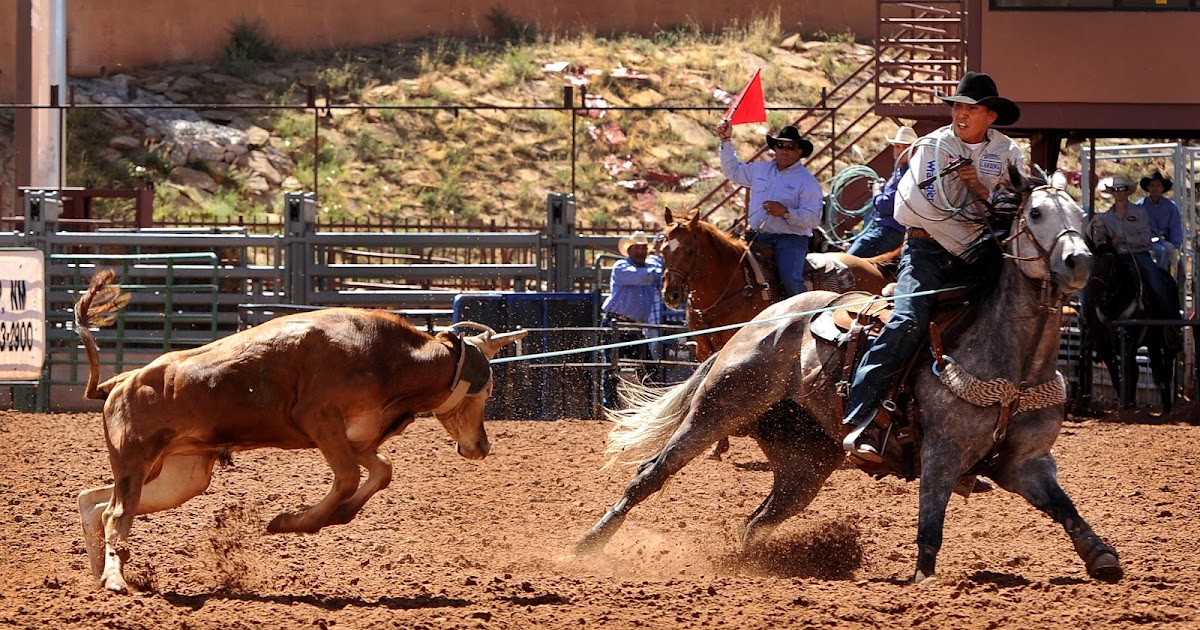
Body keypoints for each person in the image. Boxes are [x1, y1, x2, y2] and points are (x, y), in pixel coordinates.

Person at [842, 71, 1026, 462]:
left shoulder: (1008, 153)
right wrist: (979, 203)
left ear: (991, 116)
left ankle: (996, 430)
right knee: (908, 320)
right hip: (926, 248)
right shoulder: (932, 146)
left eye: (970, 108)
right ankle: (862, 420)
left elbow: (1013, 205)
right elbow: (924, 203)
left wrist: (980, 189)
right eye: (957, 107)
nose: (960, 114)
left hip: (978, 253)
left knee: (1005, 322)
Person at [716, 121, 824, 297]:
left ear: (799, 151)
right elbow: (732, 171)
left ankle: (806, 311)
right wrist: (726, 141)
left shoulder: (807, 182)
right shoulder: (759, 169)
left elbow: (813, 219)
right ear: (775, 148)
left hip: (791, 240)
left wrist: (786, 212)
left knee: (790, 279)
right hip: (757, 236)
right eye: (780, 145)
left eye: (791, 147)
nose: (784, 150)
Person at [1088, 174, 1182, 346]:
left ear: (1127, 192)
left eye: (1122, 189)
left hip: (1139, 255)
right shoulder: (1105, 218)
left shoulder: (1139, 212)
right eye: (1116, 190)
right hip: (1114, 257)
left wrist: (1124, 239)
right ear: (1112, 193)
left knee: (1157, 285)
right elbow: (1098, 240)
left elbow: (1146, 239)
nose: (1119, 193)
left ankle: (1171, 327)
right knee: (1093, 283)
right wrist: (1104, 241)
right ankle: (1088, 327)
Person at [601, 231, 664, 407]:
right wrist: (660, 268)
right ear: (629, 250)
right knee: (612, 368)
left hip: (634, 327)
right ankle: (610, 406)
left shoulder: (649, 268)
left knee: (648, 369)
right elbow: (642, 277)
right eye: (637, 248)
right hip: (616, 324)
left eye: (643, 248)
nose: (640, 251)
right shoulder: (621, 267)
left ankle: (649, 405)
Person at [848, 126, 917, 258]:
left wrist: (876, 190)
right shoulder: (901, 172)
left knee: (848, 260)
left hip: (889, 231)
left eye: (905, 147)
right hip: (889, 230)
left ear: (914, 151)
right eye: (897, 146)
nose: (900, 151)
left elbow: (885, 206)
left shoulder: (905, 174)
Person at [1137, 170, 1184, 275]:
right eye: (1152, 185)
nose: (1155, 188)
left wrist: (1175, 245)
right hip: (1145, 242)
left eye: (1158, 185)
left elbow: (1176, 228)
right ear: (1148, 187)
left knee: (1172, 258)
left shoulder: (1171, 207)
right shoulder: (1139, 206)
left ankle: (1172, 281)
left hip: (1165, 241)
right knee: (1160, 251)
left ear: (1162, 188)